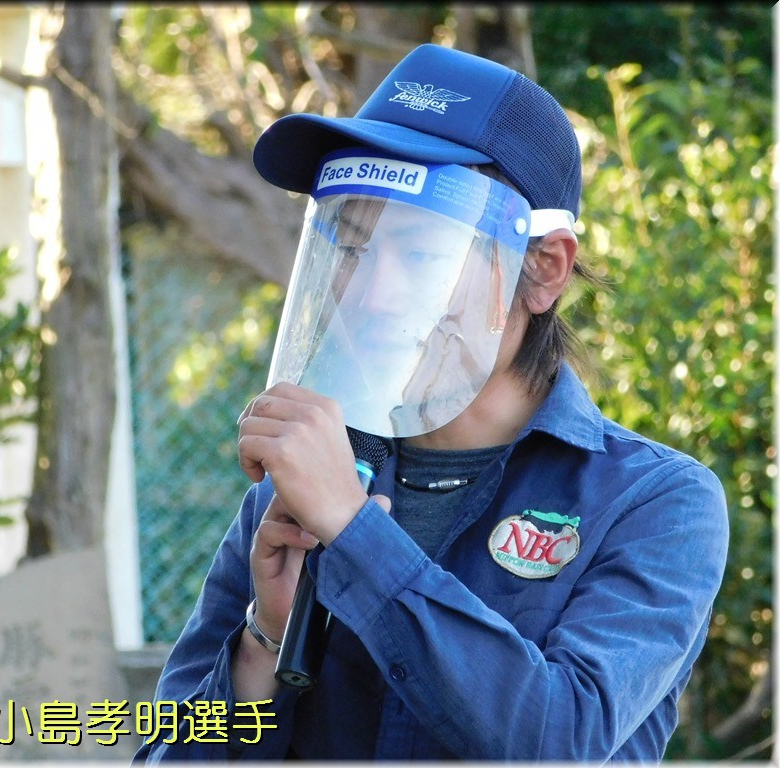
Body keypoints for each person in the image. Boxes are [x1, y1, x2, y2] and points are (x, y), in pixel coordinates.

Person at [133, 43, 728, 762]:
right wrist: (263, 640)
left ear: (544, 271)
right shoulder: (296, 490)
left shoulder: (653, 501)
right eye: (353, 249)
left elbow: (559, 739)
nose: (372, 295)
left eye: (421, 255)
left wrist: (357, 536)